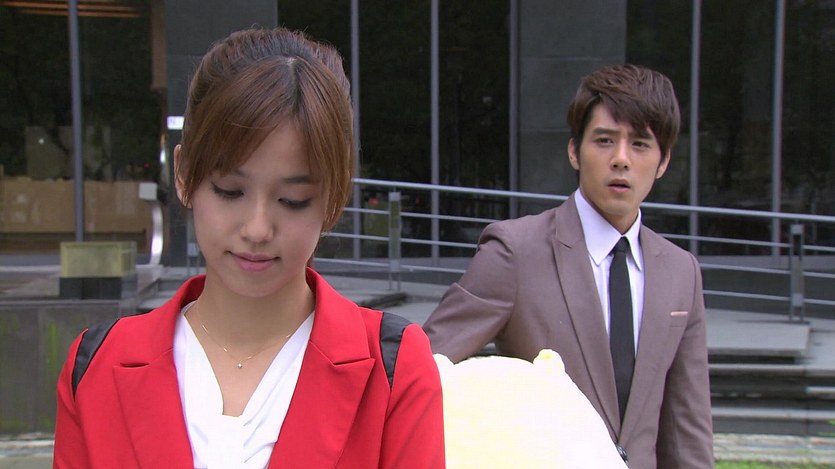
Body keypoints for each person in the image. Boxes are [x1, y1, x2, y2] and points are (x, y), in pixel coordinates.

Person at [54, 27, 444, 469]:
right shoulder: (97, 364)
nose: (258, 229)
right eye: (229, 191)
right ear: (182, 174)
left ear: (335, 195)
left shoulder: (391, 367)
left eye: (293, 200)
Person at [423, 64, 713, 469]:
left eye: (640, 144)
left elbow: (687, 431)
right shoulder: (516, 252)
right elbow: (422, 369)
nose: (621, 159)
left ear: (663, 161)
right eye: (604, 140)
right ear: (574, 150)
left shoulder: (681, 272)